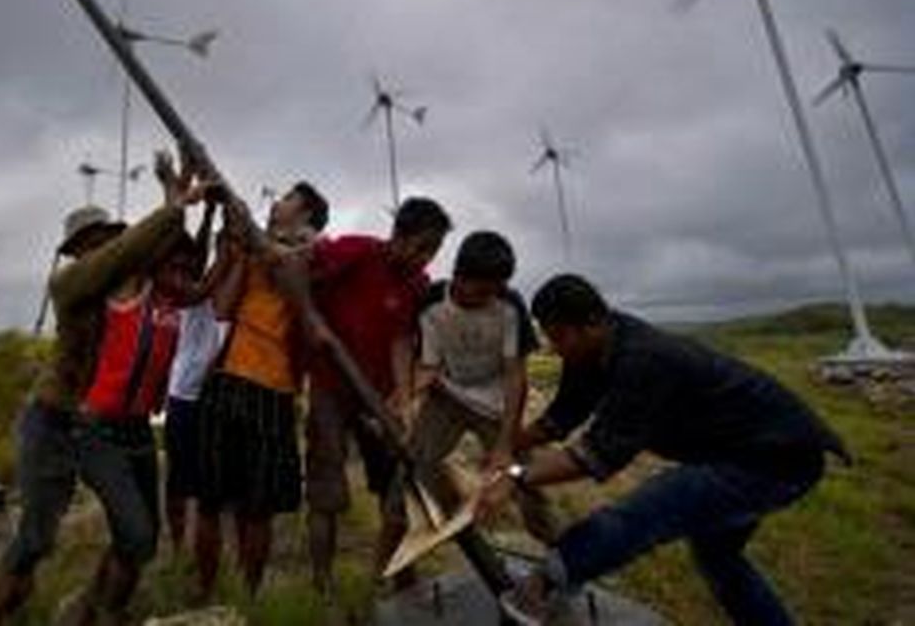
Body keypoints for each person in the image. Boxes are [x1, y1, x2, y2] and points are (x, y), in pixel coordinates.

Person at [478, 274, 849, 625]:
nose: (556, 349)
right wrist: (504, 447)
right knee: (719, 558)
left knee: (654, 506)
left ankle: (543, 585)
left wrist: (514, 477)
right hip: (732, 452)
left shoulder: (644, 358)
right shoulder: (588, 352)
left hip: (776, 456)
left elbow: (597, 455)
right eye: (550, 338)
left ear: (591, 323)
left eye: (560, 337)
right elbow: (560, 419)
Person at [0, 150, 212, 626]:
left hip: (108, 422)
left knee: (137, 535)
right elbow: (133, 251)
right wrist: (173, 207)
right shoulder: (70, 283)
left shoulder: (132, 284)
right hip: (53, 420)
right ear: (77, 250)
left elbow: (169, 257)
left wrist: (179, 200)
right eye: (90, 243)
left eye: (105, 240)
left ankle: (94, 611)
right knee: (37, 538)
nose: (99, 250)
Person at [304, 196, 452, 595]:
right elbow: (297, 274)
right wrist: (312, 320)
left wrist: (402, 401)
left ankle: (399, 584)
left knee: (399, 492)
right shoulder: (357, 252)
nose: (426, 258)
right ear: (398, 236)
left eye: (434, 250)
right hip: (331, 388)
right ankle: (323, 585)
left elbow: (406, 341)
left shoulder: (418, 285)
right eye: (422, 246)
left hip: (381, 400)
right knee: (326, 490)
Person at [194, 182, 330, 598]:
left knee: (258, 508)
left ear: (305, 215)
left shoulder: (315, 252)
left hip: (275, 389)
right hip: (229, 376)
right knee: (211, 499)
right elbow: (221, 307)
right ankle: (204, 590)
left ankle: (248, 595)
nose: (276, 202)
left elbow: (291, 274)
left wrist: (263, 245)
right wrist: (239, 253)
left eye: (288, 199)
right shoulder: (257, 246)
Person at [396, 231, 556, 548]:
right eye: (482, 290)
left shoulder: (510, 304)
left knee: (523, 478)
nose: (489, 298)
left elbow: (515, 375)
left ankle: (557, 553)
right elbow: (427, 364)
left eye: (497, 290)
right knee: (416, 466)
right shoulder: (431, 301)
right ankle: (420, 539)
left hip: (497, 408)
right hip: (447, 400)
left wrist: (506, 443)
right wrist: (403, 400)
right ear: (459, 275)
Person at [162, 196, 228, 553]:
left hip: (210, 397)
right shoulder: (176, 288)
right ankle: (175, 546)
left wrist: (209, 212)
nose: (187, 264)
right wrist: (226, 252)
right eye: (180, 261)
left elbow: (199, 253)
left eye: (189, 260)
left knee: (207, 485)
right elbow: (202, 280)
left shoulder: (196, 274)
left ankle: (201, 547)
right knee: (178, 480)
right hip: (184, 397)